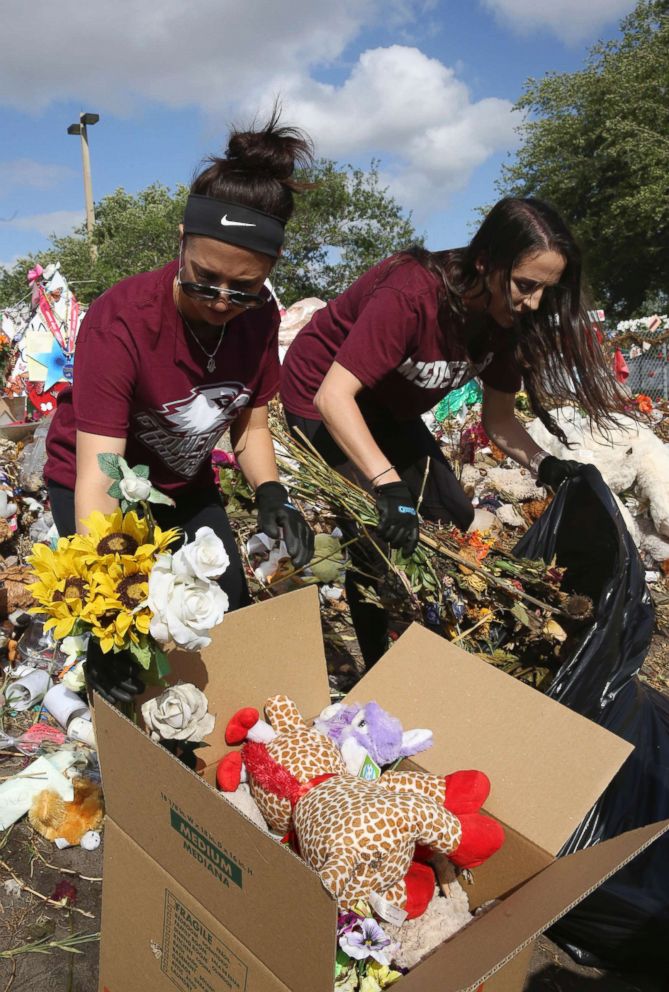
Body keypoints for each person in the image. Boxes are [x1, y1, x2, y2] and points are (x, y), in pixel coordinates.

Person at [280, 196, 629, 669]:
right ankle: (382, 670)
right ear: (485, 261)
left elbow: (500, 421)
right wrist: (387, 485)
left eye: (546, 290)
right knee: (378, 542)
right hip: (323, 398)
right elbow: (333, 397)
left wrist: (547, 465)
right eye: (526, 285)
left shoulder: (506, 323)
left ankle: (451, 644)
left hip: (388, 409)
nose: (535, 303)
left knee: (455, 516)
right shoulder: (413, 293)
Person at [44, 110, 315, 698]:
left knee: (225, 605)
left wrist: (272, 493)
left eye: (243, 287)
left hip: (184, 485)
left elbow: (249, 421)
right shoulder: (122, 320)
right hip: (97, 485)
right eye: (205, 278)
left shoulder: (259, 317)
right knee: (127, 636)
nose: (222, 300)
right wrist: (104, 608)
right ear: (181, 242)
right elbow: (98, 476)